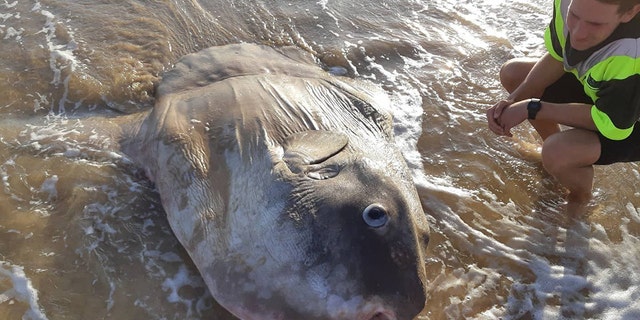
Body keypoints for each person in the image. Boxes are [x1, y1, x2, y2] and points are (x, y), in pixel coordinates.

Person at [486, 0, 640, 215]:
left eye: (595, 24)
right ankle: (553, 155)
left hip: (629, 120)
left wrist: (532, 108)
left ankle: (581, 197)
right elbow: (560, 56)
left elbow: (613, 124)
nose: (578, 33)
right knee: (514, 74)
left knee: (558, 151)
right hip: (608, 89)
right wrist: (516, 98)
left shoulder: (634, 54)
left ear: (631, 11)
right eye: (574, 16)